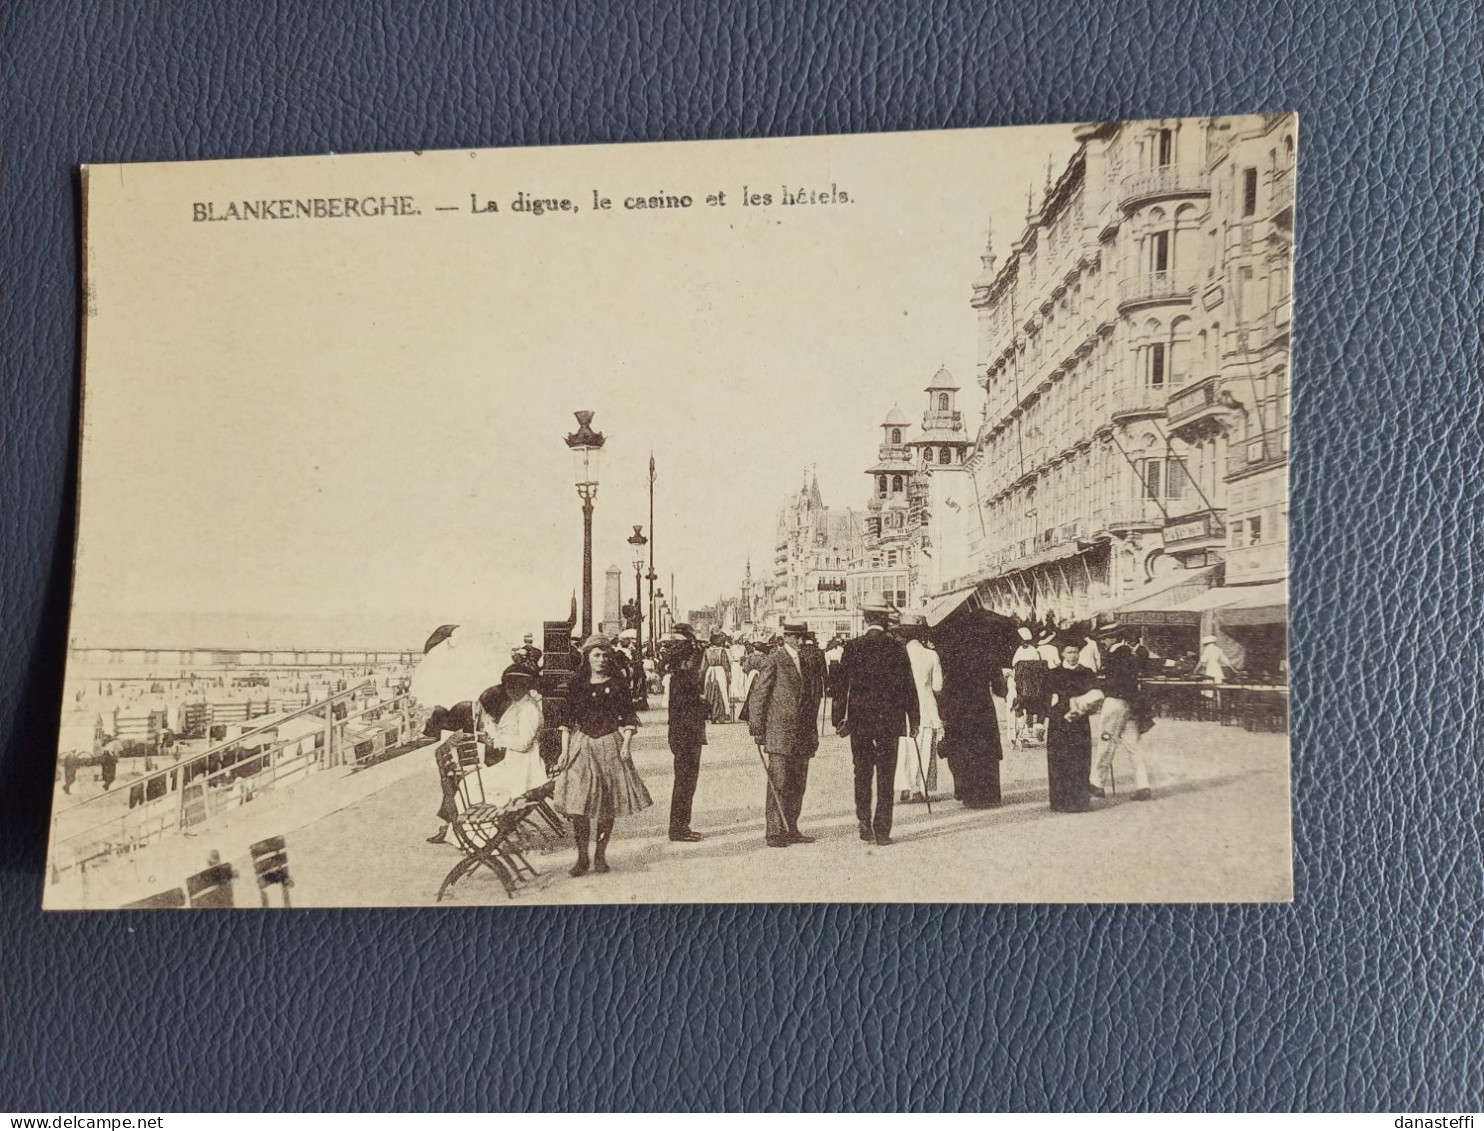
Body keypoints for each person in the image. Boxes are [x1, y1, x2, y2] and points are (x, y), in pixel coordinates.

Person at [552, 635, 652, 875]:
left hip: (609, 745)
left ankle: (600, 856)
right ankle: (581, 857)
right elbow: (567, 720)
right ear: (587, 656)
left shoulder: (618, 683)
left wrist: (626, 744)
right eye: (596, 655)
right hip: (582, 745)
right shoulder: (577, 683)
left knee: (606, 806)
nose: (601, 659)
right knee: (579, 805)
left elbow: (628, 717)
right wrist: (564, 753)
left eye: (605, 655)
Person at [832, 602, 919, 845]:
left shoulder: (852, 647)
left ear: (866, 619)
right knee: (885, 774)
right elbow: (908, 686)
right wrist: (914, 719)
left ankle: (863, 820)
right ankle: (882, 830)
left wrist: (839, 718)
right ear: (884, 619)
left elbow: (841, 687)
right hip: (889, 722)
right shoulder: (897, 647)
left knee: (861, 771)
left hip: (860, 722)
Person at [748, 621, 824, 846]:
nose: (802, 642)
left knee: (798, 782)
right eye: (798, 638)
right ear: (787, 636)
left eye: (804, 638)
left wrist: (813, 731)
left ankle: (792, 828)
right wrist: (757, 728)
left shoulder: (807, 661)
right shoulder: (775, 659)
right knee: (778, 782)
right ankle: (774, 831)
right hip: (780, 733)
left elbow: (812, 698)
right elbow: (759, 694)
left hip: (803, 732)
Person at [937, 612, 1010, 809]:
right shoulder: (987, 654)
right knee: (985, 750)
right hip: (982, 708)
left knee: (963, 749)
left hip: (959, 709)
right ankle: (989, 795)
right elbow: (999, 688)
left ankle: (967, 792)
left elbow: (946, 686)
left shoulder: (950, 654)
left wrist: (944, 710)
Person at [1095, 623, 1155, 801]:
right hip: (1131, 705)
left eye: (1105, 638)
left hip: (1115, 702)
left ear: (1113, 638)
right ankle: (1143, 785)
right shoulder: (1130, 654)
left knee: (1106, 741)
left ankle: (1097, 783)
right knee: (1133, 746)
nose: (1103, 642)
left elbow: (1115, 682)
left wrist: (1098, 685)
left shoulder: (1116, 655)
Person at [660, 624, 707, 842]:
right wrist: (703, 704)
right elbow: (685, 712)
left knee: (687, 783)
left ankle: (681, 826)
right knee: (685, 784)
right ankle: (678, 828)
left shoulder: (681, 679)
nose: (697, 663)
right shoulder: (684, 680)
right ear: (685, 660)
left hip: (686, 737)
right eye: (693, 659)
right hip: (686, 738)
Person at [1044, 638, 1102, 812]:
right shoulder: (1053, 673)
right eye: (1069, 652)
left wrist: (1088, 705)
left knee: (1080, 759)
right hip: (1059, 724)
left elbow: (1095, 695)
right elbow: (1046, 699)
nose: (1072, 656)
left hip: (1079, 724)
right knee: (1059, 760)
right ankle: (1060, 801)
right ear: (1062, 654)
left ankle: (1080, 801)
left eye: (1075, 652)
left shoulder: (1087, 673)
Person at [478, 666, 547, 806]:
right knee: (471, 782)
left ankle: (479, 826)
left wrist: (497, 739)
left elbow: (524, 744)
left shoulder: (528, 709)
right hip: (513, 762)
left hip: (524, 767)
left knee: (472, 785)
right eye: (509, 686)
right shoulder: (518, 705)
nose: (511, 690)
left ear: (526, 687)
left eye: (517, 686)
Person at [892, 614, 942, 803]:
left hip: (903, 709)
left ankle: (903, 786)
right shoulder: (931, 655)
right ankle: (919, 788)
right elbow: (938, 686)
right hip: (927, 708)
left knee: (903, 749)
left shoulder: (898, 654)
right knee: (923, 749)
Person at [1011, 626, 1050, 748]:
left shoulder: (1033, 650)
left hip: (1031, 684)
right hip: (1021, 683)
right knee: (1022, 706)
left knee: (1030, 705)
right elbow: (1014, 665)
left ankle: (1032, 731)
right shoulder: (1018, 650)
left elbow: (1038, 667)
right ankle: (1024, 732)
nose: (1023, 644)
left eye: (1025, 641)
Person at [702, 633, 732, 724]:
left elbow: (704, 665)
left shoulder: (707, 651)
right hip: (719, 671)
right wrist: (728, 675)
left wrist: (703, 674)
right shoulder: (722, 651)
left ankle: (711, 715)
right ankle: (720, 714)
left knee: (710, 692)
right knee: (721, 692)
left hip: (710, 672)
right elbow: (726, 664)